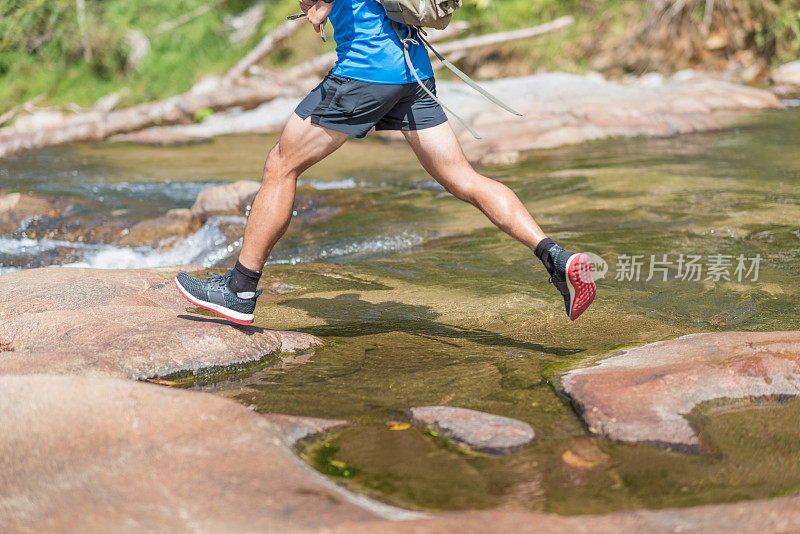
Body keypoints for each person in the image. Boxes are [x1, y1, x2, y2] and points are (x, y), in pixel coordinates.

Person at [174, 0, 596, 325]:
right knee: (465, 178)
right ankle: (555, 258)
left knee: (280, 166)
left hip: (365, 72)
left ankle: (240, 290)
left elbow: (316, 6)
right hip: (412, 72)